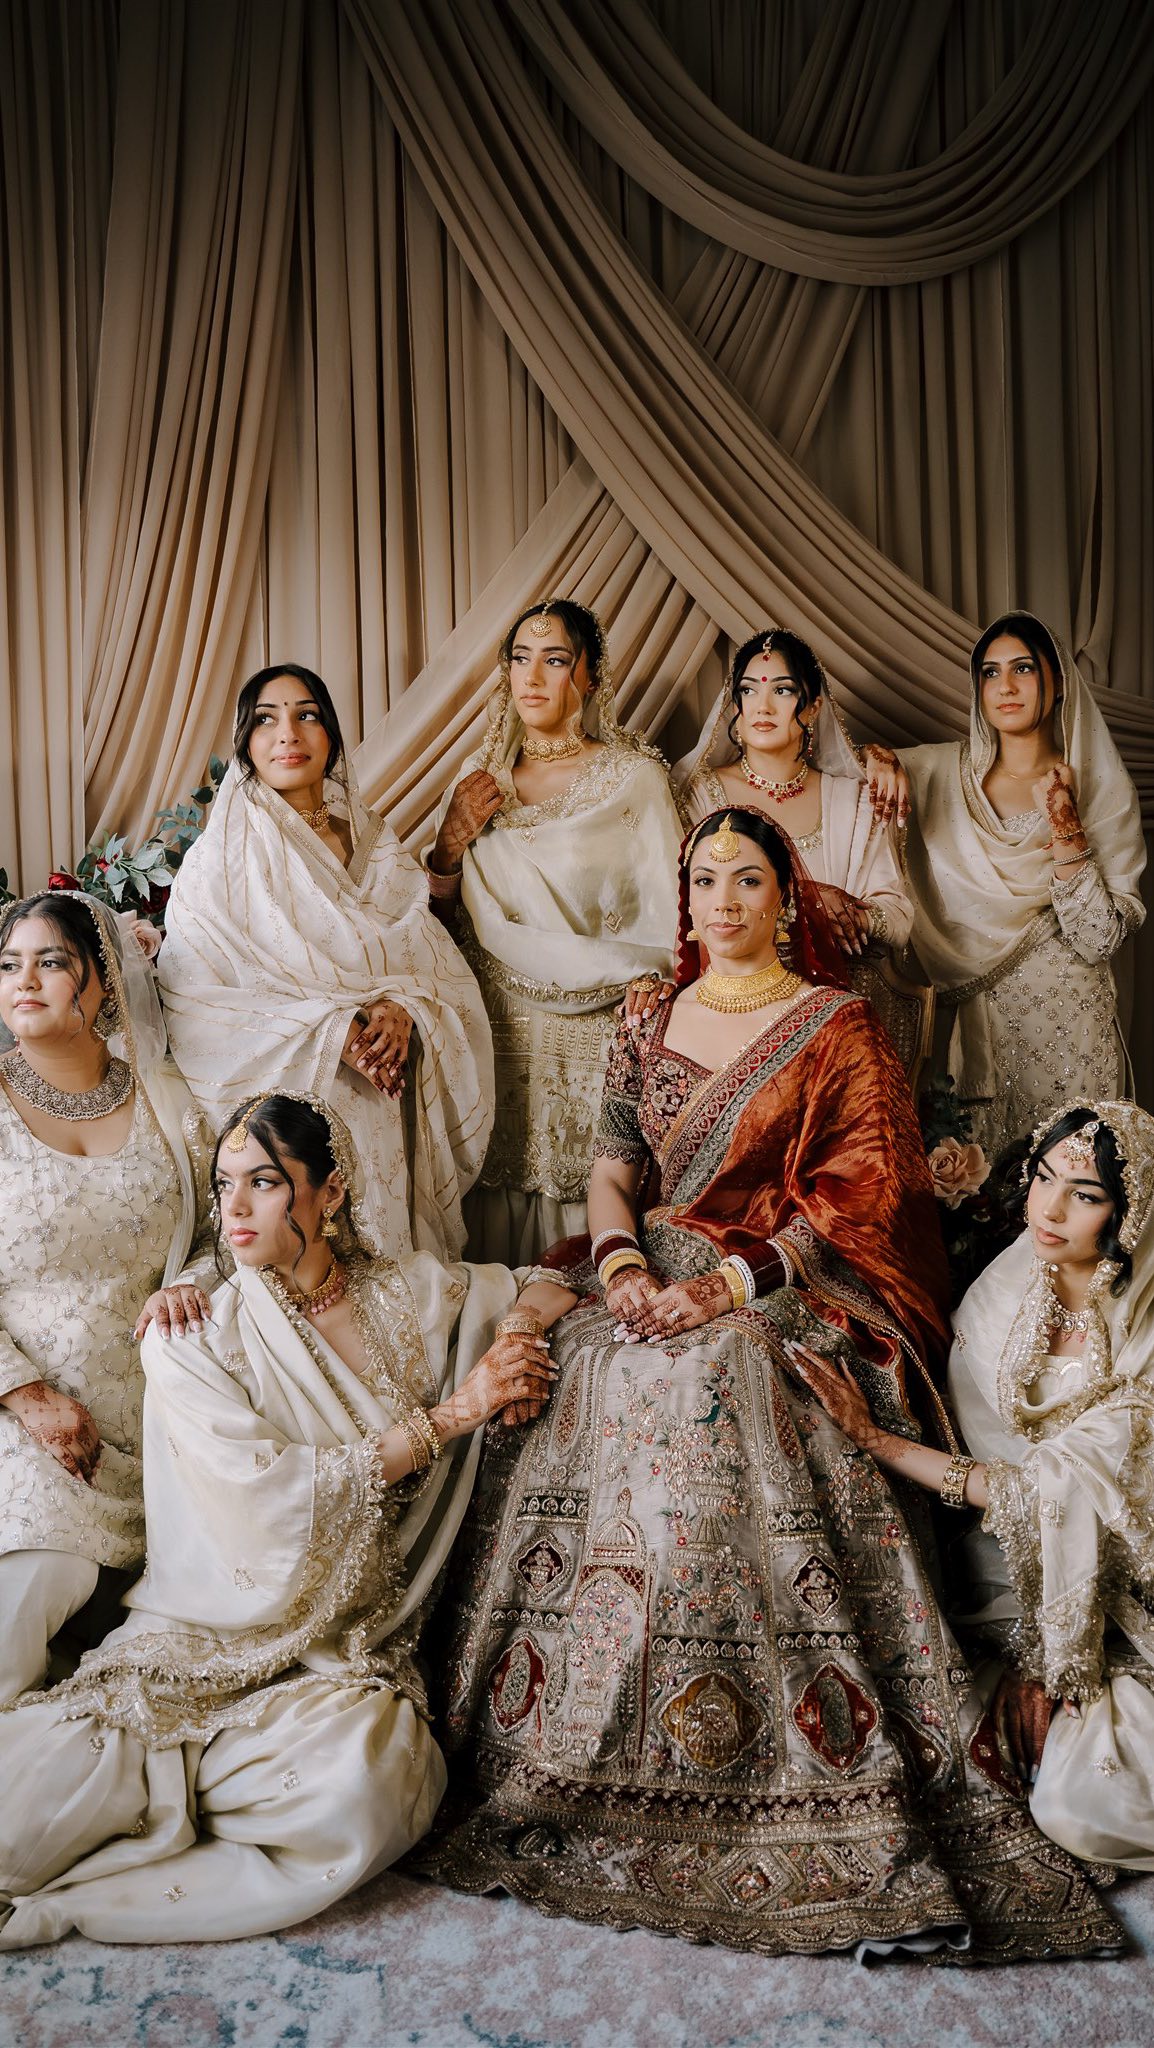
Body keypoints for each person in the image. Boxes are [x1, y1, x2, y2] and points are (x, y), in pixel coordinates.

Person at [410, 812, 1119, 1960]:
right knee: (569, 1363)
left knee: (725, 1376)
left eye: (748, 877)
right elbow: (608, 1172)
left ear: (784, 896)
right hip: (646, 1266)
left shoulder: (836, 1024)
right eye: (703, 877)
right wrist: (626, 1264)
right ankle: (555, 1739)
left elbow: (870, 1194)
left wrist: (731, 1285)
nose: (722, 896)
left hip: (789, 1284)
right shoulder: (645, 1012)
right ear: (682, 893)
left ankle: (766, 1752)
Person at [0, 1093, 554, 1947]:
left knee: (377, 1781)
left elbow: (554, 1275)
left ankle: (84, 1898)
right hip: (199, 1648)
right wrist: (453, 1415)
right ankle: (147, 1795)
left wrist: (517, 1326)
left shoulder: (407, 1294)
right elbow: (272, 1501)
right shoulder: (190, 1336)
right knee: (16, 1820)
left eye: (265, 1182)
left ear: (328, 1193)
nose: (235, 1209)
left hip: (335, 1660)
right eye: (224, 1186)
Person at [792, 1098, 1154, 1874]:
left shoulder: (1144, 1321)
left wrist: (877, 1440)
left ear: (1127, 1214)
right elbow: (1004, 1467)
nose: (1050, 1209)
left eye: (1086, 1196)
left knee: (1083, 1806)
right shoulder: (1008, 1286)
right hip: (1009, 1574)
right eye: (1044, 1178)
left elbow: (1069, 1489)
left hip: (1127, 1589)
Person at [158, 664, 493, 1262]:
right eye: (266, 720)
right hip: (295, 1085)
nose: (288, 733)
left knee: (393, 1278)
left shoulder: (375, 841)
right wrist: (333, 1032)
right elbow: (194, 995)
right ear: (246, 743)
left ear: (331, 737)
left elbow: (429, 962)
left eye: (306, 715)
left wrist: (404, 1010)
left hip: (391, 1081)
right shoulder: (221, 858)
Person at [0, 891, 209, 1702]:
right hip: (26, 1426)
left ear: (104, 984)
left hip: (158, 1428)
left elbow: (223, 1234)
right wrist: (26, 1394)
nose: (26, 981)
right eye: (10, 964)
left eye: (52, 961)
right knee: (31, 1586)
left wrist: (186, 1286)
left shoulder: (169, 1104)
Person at [427, 600, 682, 1265]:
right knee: (494, 1207)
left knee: (588, 1210)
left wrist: (652, 984)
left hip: (598, 1035)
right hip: (501, 1033)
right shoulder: (476, 784)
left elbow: (671, 920)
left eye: (555, 659)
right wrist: (449, 846)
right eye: (519, 659)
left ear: (590, 677)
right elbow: (436, 929)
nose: (532, 677)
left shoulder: (633, 782)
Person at [878, 614, 1145, 1159]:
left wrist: (1067, 826)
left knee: (1071, 1187)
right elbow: (834, 773)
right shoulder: (937, 775)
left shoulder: (1100, 791)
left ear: (1057, 680)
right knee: (971, 1203)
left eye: (1023, 668)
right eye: (990, 672)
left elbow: (1098, 938)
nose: (1005, 686)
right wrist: (876, 758)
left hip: (1067, 1024)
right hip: (966, 1025)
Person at [676, 627, 912, 957]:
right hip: (733, 992)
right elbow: (684, 903)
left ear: (814, 707)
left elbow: (898, 917)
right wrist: (807, 901)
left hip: (839, 990)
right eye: (748, 691)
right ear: (734, 707)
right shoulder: (700, 795)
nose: (763, 707)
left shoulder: (855, 801)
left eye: (783, 690)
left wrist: (853, 917)